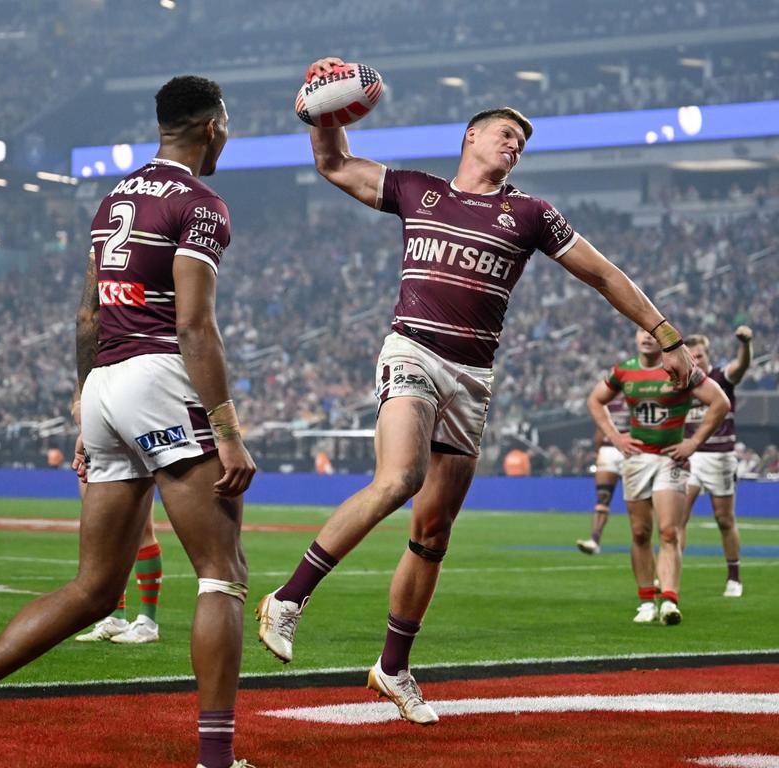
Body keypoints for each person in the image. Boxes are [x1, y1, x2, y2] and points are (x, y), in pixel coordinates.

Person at [256, 55, 696, 726]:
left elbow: (604, 275)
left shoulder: (531, 215)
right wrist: (316, 115)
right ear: (470, 138)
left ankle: (394, 668)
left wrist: (663, 331)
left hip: (473, 377)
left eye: (520, 141)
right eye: (502, 133)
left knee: (433, 533)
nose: (513, 144)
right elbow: (335, 164)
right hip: (413, 350)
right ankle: (289, 598)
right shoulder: (416, 190)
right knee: (399, 477)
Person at [0, 75, 256, 768]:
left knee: (95, 589)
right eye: (227, 126)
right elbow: (193, 325)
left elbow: (89, 316)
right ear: (212, 125)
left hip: (103, 387)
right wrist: (227, 427)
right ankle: (216, 761)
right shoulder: (201, 203)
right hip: (160, 377)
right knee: (222, 573)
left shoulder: (112, 199)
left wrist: (83, 406)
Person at [588, 329, 729, 626]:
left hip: (670, 458)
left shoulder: (682, 368)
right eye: (640, 331)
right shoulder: (623, 371)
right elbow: (595, 400)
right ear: (635, 337)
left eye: (652, 332)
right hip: (637, 460)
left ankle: (669, 600)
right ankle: (645, 600)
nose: (646, 337)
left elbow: (720, 402)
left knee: (668, 532)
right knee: (640, 532)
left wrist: (693, 443)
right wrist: (615, 437)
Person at [70, 389, 165, 645]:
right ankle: (115, 617)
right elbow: (78, 399)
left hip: (130, 439)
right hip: (98, 446)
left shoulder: (129, 357)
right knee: (104, 535)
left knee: (142, 530)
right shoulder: (93, 361)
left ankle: (147, 621)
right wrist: (83, 418)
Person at [679, 327, 753, 597]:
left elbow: (742, 366)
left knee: (724, 519)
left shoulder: (721, 377)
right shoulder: (683, 382)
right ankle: (669, 575)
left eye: (699, 355)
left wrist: (746, 344)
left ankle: (734, 576)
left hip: (719, 456)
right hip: (691, 455)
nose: (696, 360)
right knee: (678, 518)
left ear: (708, 356)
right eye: (692, 356)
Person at [576, 392, 629, 555]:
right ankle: (594, 540)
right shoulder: (607, 402)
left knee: (639, 502)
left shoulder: (638, 396)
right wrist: (598, 452)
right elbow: (600, 430)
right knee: (602, 498)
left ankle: (643, 543)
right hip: (609, 449)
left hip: (631, 449)